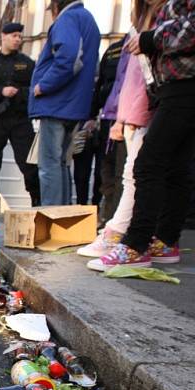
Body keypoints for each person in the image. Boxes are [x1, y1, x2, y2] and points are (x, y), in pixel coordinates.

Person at [95, 0, 195, 269]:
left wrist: (150, 39)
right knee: (176, 169)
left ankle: (136, 245)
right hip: (172, 89)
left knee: (148, 164)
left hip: (184, 87)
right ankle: (164, 240)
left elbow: (190, 30)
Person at [80, 0, 165, 265]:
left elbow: (147, 77)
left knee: (136, 174)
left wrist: (133, 114)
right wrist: (118, 116)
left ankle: (123, 234)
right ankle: (119, 231)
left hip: (143, 107)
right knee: (130, 174)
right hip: (129, 109)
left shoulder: (158, 23)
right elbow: (124, 79)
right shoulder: (137, 26)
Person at [29, 0, 100, 206]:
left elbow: (69, 59)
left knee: (49, 164)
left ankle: (51, 218)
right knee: (61, 164)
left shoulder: (67, 18)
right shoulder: (88, 20)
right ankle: (62, 218)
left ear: (56, 7)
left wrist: (43, 86)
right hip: (74, 105)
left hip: (57, 103)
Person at [0, 22, 40, 220]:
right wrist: (0, 92)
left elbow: (35, 88)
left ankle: (37, 201)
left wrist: (19, 93)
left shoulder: (27, 64)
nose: (18, 39)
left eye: (20, 36)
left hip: (20, 120)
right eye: (14, 36)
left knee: (28, 164)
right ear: (3, 36)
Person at [92, 37, 129, 226]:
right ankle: (108, 218)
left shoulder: (140, 44)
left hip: (127, 116)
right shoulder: (114, 49)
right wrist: (92, 115)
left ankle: (115, 221)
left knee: (121, 173)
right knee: (105, 170)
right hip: (108, 115)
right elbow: (101, 85)